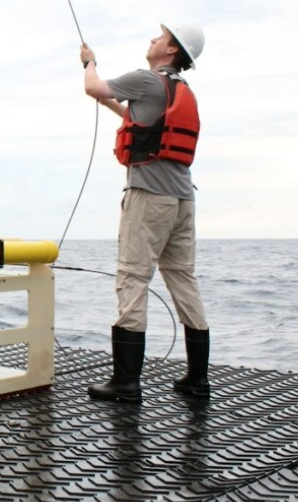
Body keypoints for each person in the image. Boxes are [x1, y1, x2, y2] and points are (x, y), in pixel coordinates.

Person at [79, 23, 210, 402]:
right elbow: (126, 112)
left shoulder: (145, 80)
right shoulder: (180, 89)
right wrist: (107, 97)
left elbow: (92, 86)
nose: (152, 40)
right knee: (182, 278)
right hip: (183, 200)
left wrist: (90, 62)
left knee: (133, 277)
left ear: (171, 51)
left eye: (159, 37)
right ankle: (197, 379)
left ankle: (126, 382)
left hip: (149, 197)